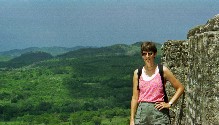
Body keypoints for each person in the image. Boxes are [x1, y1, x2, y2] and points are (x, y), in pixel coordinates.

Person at [130, 42, 184, 125]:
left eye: (150, 53)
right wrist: (132, 119)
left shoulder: (163, 70)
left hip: (159, 113)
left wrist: (169, 103)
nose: (147, 56)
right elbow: (135, 97)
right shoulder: (137, 73)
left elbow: (180, 88)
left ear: (155, 54)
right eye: (144, 54)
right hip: (142, 114)